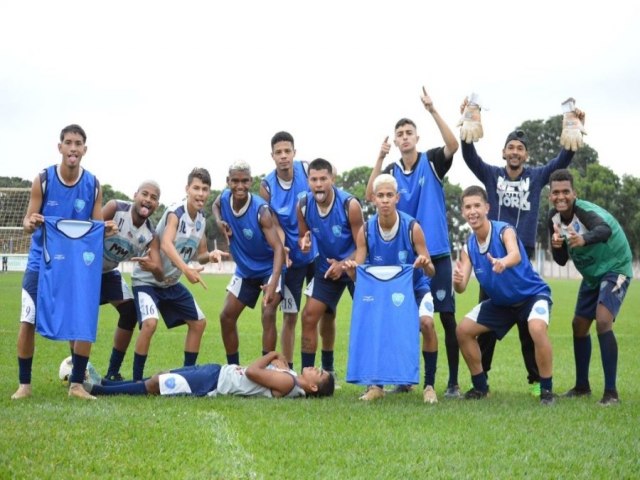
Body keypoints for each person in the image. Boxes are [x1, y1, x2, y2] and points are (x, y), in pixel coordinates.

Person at [459, 97, 586, 394]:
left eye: (520, 149)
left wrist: (574, 127)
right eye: (511, 148)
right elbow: (469, 156)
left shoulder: (537, 176)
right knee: (485, 319)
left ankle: (536, 381)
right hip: (490, 257)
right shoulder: (491, 175)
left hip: (521, 254)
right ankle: (483, 379)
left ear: (526, 155)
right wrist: (467, 122)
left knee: (529, 325)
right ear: (503, 152)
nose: (515, 152)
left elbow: (562, 162)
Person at [365, 87, 461, 398]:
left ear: (416, 138)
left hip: (437, 254)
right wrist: (379, 157)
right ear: (395, 141)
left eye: (409, 133)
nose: (405, 137)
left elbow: (453, 144)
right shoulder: (392, 172)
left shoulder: (432, 160)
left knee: (445, 318)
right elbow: (370, 195)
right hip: (405, 260)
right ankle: (405, 380)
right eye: (400, 134)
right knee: (404, 319)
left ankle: (452, 383)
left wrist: (433, 110)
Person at [12, 124, 107, 400]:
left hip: (77, 266)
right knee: (27, 320)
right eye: (68, 142)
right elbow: (28, 221)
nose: (73, 148)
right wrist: (30, 222)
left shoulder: (93, 185)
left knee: (83, 317)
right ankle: (24, 385)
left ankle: (76, 385)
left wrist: (107, 229)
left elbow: (97, 226)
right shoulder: (43, 179)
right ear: (60, 147)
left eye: (78, 143)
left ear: (85, 150)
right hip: (41, 262)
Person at [454, 186, 555, 405]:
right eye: (468, 207)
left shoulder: (504, 230)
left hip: (532, 296)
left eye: (477, 206)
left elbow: (515, 255)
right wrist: (457, 280)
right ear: (463, 212)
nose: (473, 211)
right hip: (501, 304)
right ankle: (480, 387)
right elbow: (461, 287)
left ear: (487, 208)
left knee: (537, 329)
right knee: (462, 331)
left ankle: (546, 390)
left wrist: (503, 262)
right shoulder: (468, 247)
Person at [344, 174, 437, 402]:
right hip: (382, 294)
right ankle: (376, 385)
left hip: (415, 288)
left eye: (389, 195)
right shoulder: (365, 231)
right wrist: (350, 270)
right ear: (373, 199)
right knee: (376, 329)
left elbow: (431, 270)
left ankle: (429, 386)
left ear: (397, 198)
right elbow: (361, 273)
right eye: (380, 196)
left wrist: (425, 265)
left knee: (426, 323)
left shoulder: (412, 227)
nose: (385, 200)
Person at [130, 168, 227, 381]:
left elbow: (200, 254)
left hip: (170, 284)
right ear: (187, 189)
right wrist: (186, 269)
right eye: (196, 188)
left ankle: (187, 375)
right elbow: (165, 244)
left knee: (199, 323)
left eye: (204, 189)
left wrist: (211, 255)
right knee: (150, 324)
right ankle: (137, 380)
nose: (200, 193)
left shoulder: (201, 219)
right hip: (146, 281)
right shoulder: (176, 213)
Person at [547, 169, 632, 406]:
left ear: (575, 193)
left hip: (615, 266)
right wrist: (556, 245)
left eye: (566, 192)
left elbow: (604, 230)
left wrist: (583, 239)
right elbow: (562, 259)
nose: (560, 197)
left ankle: (611, 393)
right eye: (556, 192)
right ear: (549, 196)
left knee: (603, 320)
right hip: (593, 274)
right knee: (579, 325)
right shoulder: (553, 219)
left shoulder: (585, 212)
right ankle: (582, 387)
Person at [213, 160, 285, 366]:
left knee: (268, 311)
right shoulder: (224, 198)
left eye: (244, 181)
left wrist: (273, 282)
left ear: (251, 182)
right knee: (226, 316)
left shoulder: (261, 212)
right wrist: (219, 222)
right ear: (228, 181)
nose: (240, 186)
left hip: (268, 269)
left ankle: (267, 369)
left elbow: (279, 248)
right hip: (245, 271)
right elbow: (215, 205)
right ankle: (233, 368)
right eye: (235, 181)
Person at [298, 158, 363, 378]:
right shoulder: (304, 205)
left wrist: (344, 265)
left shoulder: (349, 205)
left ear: (332, 179)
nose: (318, 184)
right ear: (308, 181)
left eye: (323, 179)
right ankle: (313, 374)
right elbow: (304, 235)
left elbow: (364, 248)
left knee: (369, 319)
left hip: (356, 268)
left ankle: (377, 379)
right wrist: (304, 241)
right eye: (314, 179)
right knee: (309, 316)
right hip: (326, 268)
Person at [259, 131, 318, 369]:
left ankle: (325, 368)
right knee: (290, 315)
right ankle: (289, 369)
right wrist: (282, 247)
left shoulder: (307, 170)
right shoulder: (266, 186)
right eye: (278, 152)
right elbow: (273, 224)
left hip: (316, 255)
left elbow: (327, 182)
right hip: (291, 259)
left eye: (287, 151)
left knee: (322, 313)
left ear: (295, 152)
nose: (283, 156)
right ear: (272, 156)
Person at [101, 180, 164, 381]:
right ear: (135, 195)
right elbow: (86, 230)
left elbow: (160, 273)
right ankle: (78, 370)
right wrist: (101, 229)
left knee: (129, 313)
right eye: (144, 194)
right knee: (82, 316)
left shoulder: (150, 234)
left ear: (157, 204)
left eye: (154, 198)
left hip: (109, 272)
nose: (148, 200)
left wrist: (152, 266)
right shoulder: (115, 208)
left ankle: (112, 372)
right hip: (87, 269)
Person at [85, 351, 334, 398]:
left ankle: (98, 390)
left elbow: (251, 371)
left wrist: (271, 354)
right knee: (160, 376)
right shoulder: (289, 376)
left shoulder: (288, 381)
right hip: (216, 372)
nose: (315, 368)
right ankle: (105, 383)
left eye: (319, 373)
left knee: (155, 384)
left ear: (313, 387)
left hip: (214, 382)